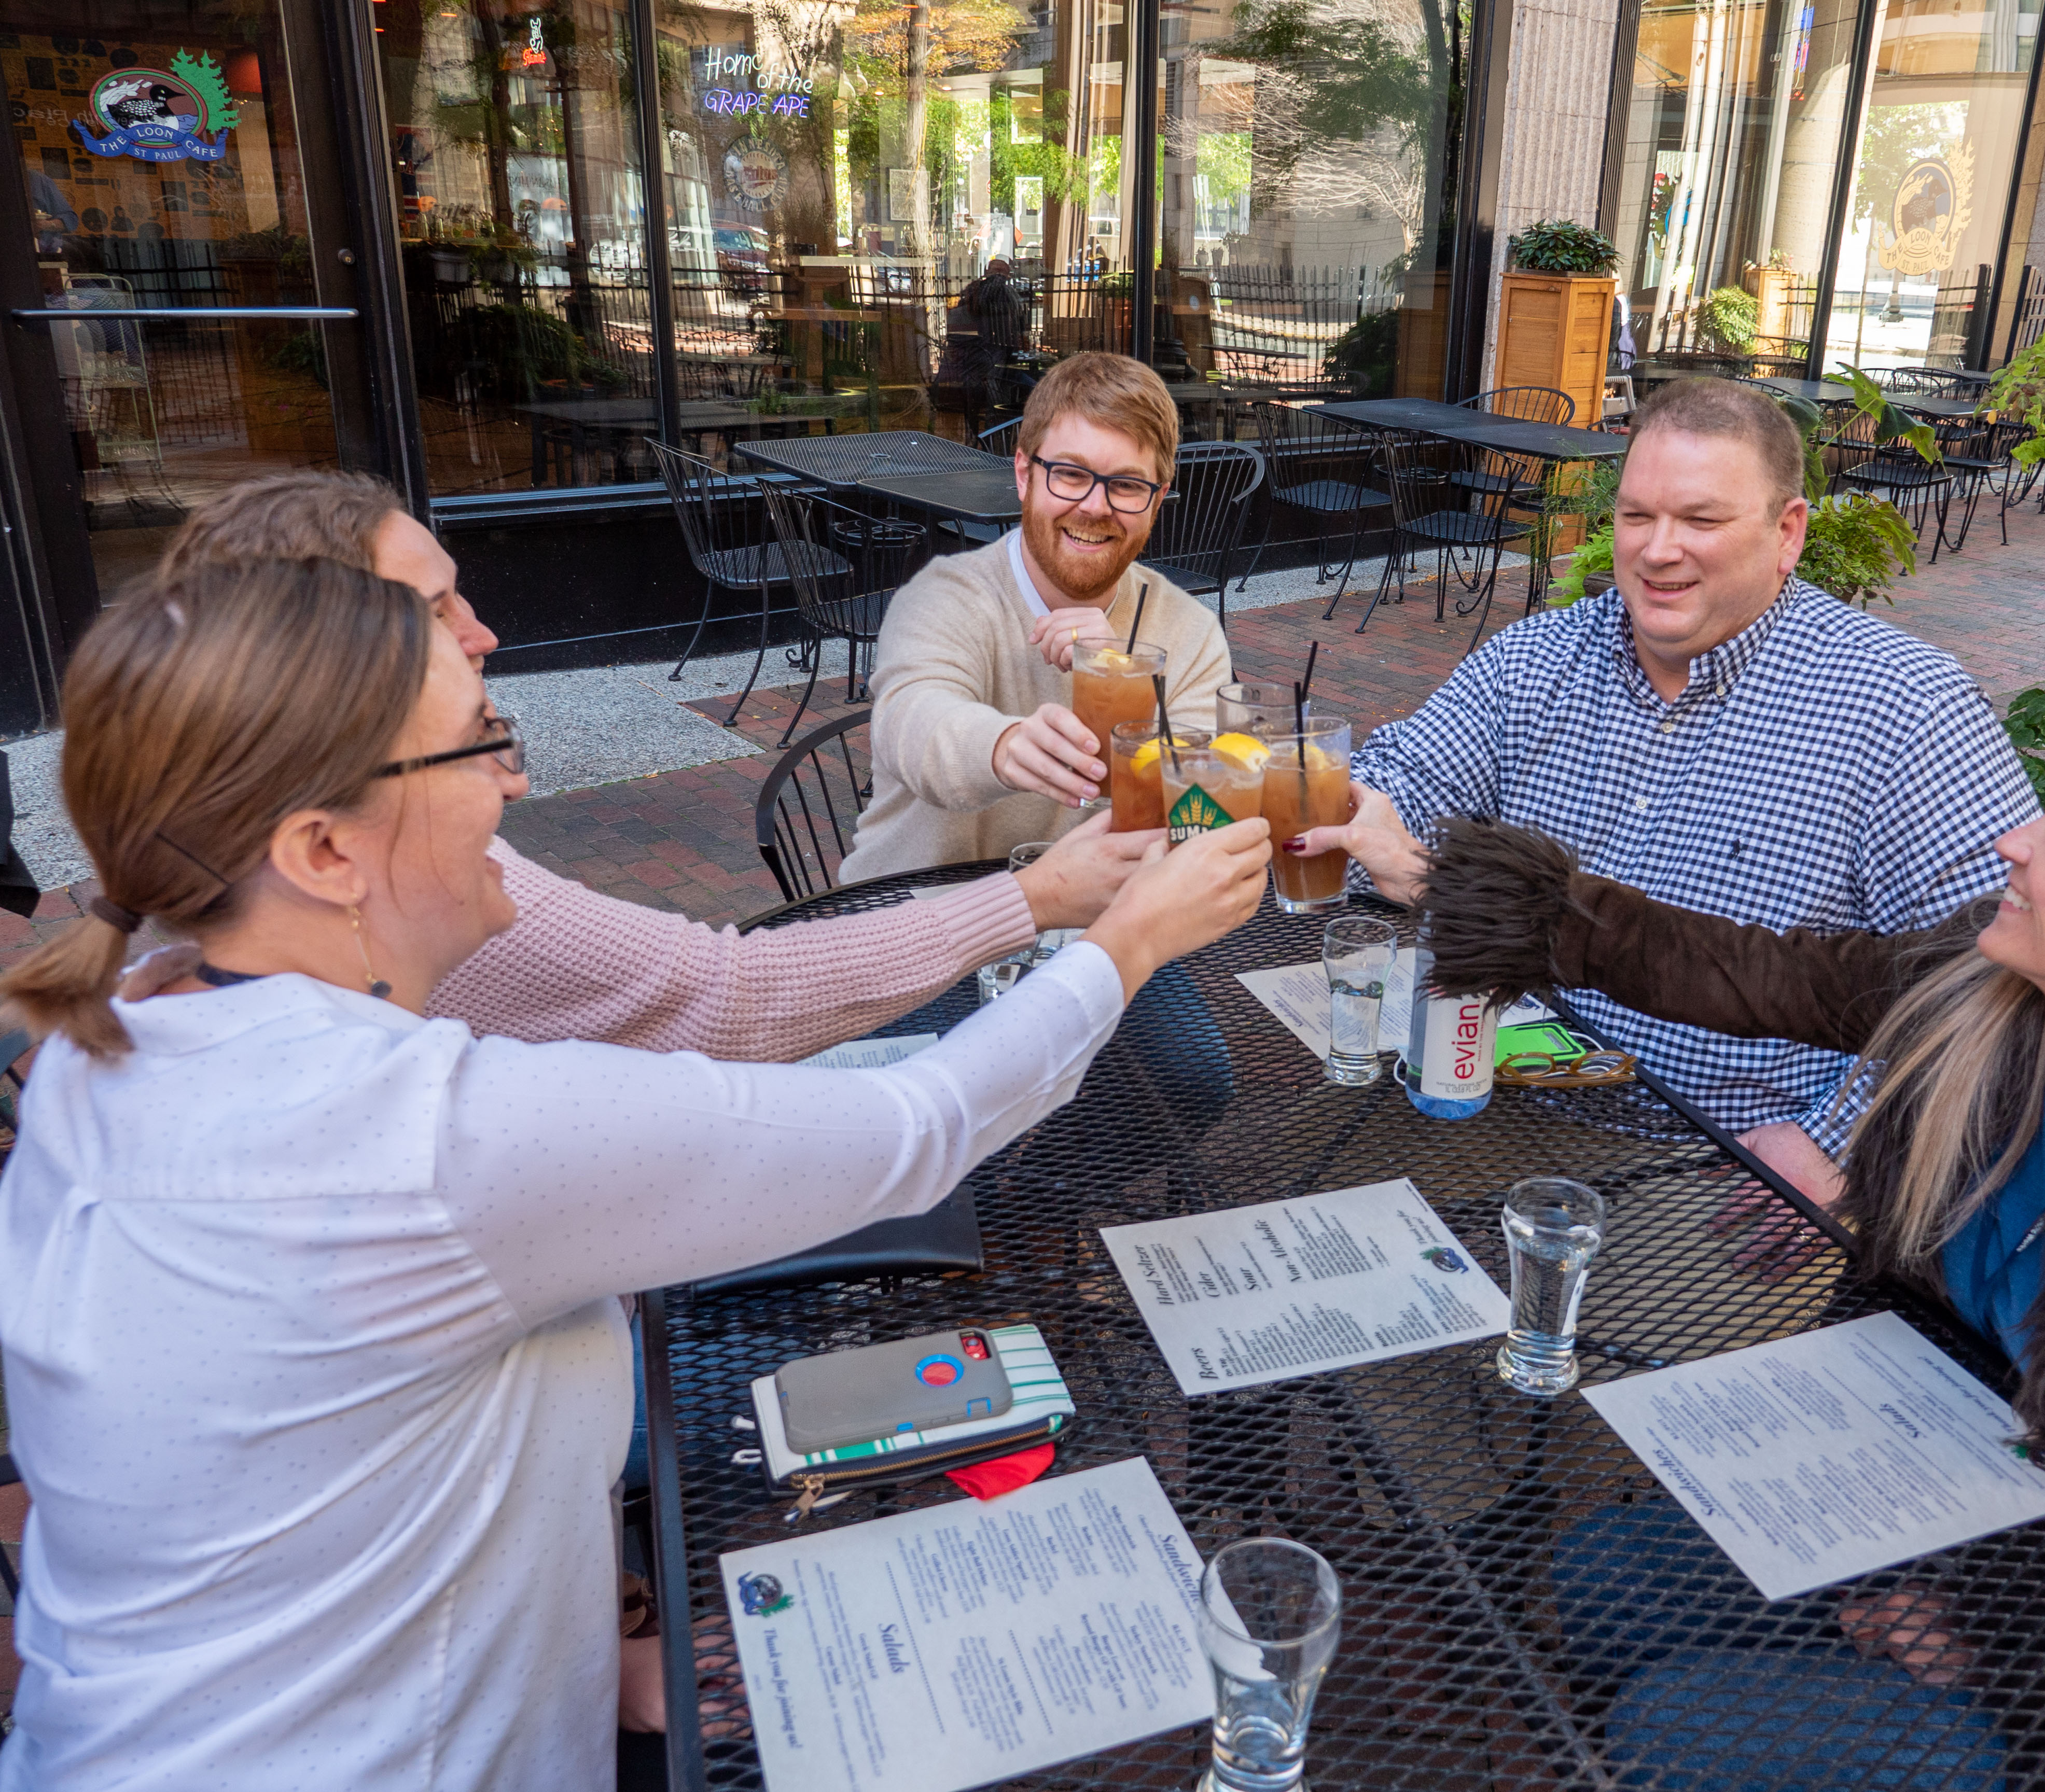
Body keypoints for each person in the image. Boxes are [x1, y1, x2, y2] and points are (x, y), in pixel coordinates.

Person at [0, 556, 1272, 1789]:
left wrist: (582, 1656)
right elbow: (918, 1128)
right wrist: (1127, 942)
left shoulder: (119, 1029)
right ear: (326, 852)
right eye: (479, 742)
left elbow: (304, 1502)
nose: (515, 775)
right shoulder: (434, 1136)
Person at [1420, 687, 2045, 1709]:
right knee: (1608, 1575)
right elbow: (1781, 975)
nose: (2014, 843)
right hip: (1898, 1498)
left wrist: (1988, 1630)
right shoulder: (1998, 1002)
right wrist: (1550, 917)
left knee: (1679, 1725)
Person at [1292, 376, 2038, 1207]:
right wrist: (1356, 812)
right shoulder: (1537, 660)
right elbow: (1401, 787)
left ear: (1787, 532)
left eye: (1701, 520)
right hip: (1504, 1095)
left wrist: (1839, 1146)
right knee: (1290, 1230)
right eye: (1637, 516)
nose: (1656, 549)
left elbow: (1999, 976)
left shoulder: (1903, 707)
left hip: (1724, 1165)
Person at [154, 469, 1151, 1060]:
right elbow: (733, 998)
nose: (484, 632)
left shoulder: (214, 911)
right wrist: (1044, 888)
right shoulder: (418, 870)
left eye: (1131, 484)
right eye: (434, 609)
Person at [841, 351, 1233, 880]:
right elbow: (913, 724)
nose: (1096, 506)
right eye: (1070, 474)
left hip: (1106, 934)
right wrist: (1004, 746)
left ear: (1158, 499)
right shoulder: (943, 598)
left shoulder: (1190, 631)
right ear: (1024, 474)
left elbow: (1201, 821)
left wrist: (1125, 678)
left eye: (1126, 485)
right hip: (929, 923)